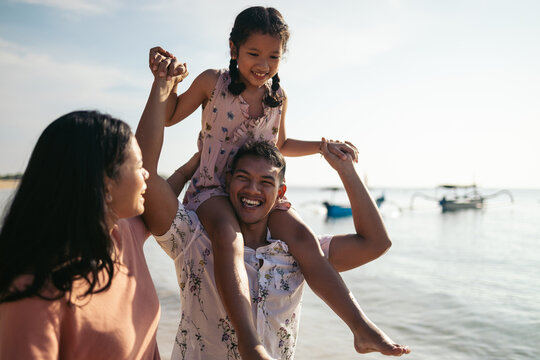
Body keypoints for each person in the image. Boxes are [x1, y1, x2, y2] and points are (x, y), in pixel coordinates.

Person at [136, 61, 411, 359]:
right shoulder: (194, 237)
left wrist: (344, 168)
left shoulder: (299, 253)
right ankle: (249, 341)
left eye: (266, 182)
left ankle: (361, 328)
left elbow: (376, 243)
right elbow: (145, 173)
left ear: (281, 192)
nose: (253, 189)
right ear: (227, 182)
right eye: (243, 178)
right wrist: (165, 91)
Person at [148, 6, 361, 358]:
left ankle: (360, 328)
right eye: (253, 54)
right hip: (214, 190)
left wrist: (323, 147)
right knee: (228, 239)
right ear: (233, 49)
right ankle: (250, 342)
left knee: (305, 238)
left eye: (273, 56)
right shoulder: (212, 83)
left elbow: (281, 145)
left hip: (259, 193)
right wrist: (167, 82)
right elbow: (169, 116)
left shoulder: (278, 99)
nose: (263, 64)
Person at [0, 111, 161, 359]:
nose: (147, 173)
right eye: (139, 166)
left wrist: (162, 86)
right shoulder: (34, 292)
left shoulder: (122, 235)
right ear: (106, 183)